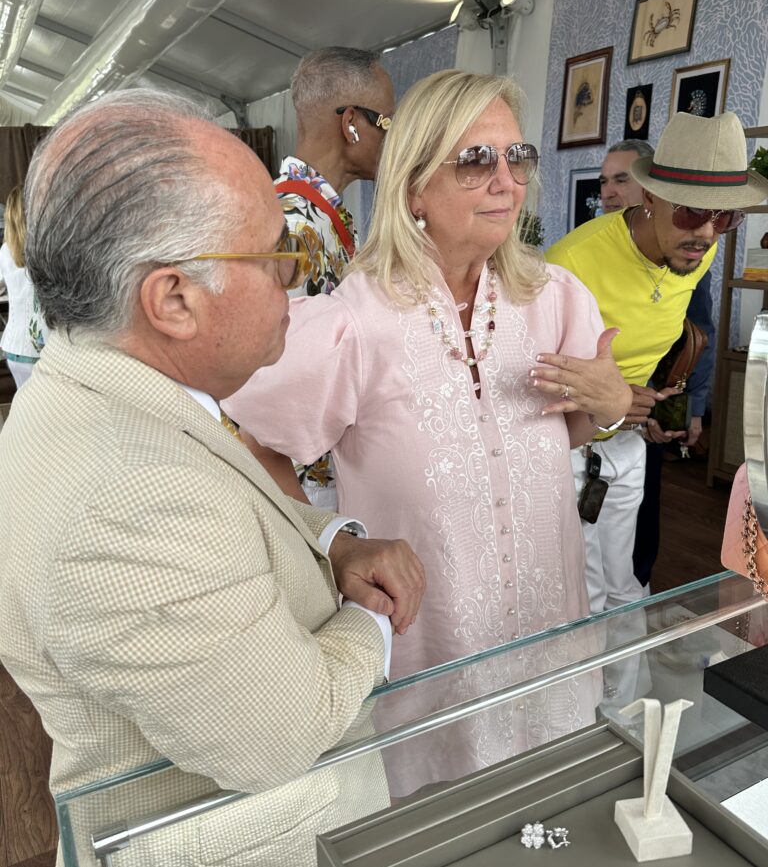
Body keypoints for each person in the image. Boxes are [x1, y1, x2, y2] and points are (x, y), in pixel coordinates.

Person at [0, 89, 426, 867]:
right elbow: (281, 730)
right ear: (173, 300)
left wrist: (332, 542)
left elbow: (227, 508)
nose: (293, 278)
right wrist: (371, 620)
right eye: (270, 254)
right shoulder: (122, 500)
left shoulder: (113, 389)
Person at [224, 69, 631, 795]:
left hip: (545, 617)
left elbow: (566, 431)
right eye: (476, 160)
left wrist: (611, 403)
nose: (507, 181)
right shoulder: (356, 321)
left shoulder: (555, 298)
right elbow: (250, 442)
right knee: (440, 840)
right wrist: (336, 542)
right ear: (414, 188)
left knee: (554, 810)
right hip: (433, 638)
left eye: (518, 157)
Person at [547, 112, 768, 643]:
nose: (708, 232)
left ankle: (630, 710)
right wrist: (616, 399)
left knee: (627, 584)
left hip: (628, 443)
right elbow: (530, 378)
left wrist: (669, 404)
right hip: (565, 447)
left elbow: (689, 330)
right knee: (583, 593)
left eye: (727, 218)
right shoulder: (571, 265)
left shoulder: (697, 244)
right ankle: (586, 712)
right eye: (693, 212)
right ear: (651, 197)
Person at [250, 47, 396, 510]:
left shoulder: (317, 214)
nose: (394, 140)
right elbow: (257, 380)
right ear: (352, 123)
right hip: (299, 484)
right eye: (388, 124)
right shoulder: (293, 226)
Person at [599, 140, 716, 591]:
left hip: (651, 408)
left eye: (622, 179)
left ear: (652, 193)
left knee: (638, 535)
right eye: (605, 181)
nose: (609, 191)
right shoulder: (589, 250)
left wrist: (686, 413)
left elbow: (695, 339)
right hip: (592, 420)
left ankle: (638, 604)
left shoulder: (686, 255)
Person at [0, 185, 44, 389]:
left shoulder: (5, 250)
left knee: (25, 407)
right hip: (41, 346)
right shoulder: (44, 248)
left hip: (13, 346)